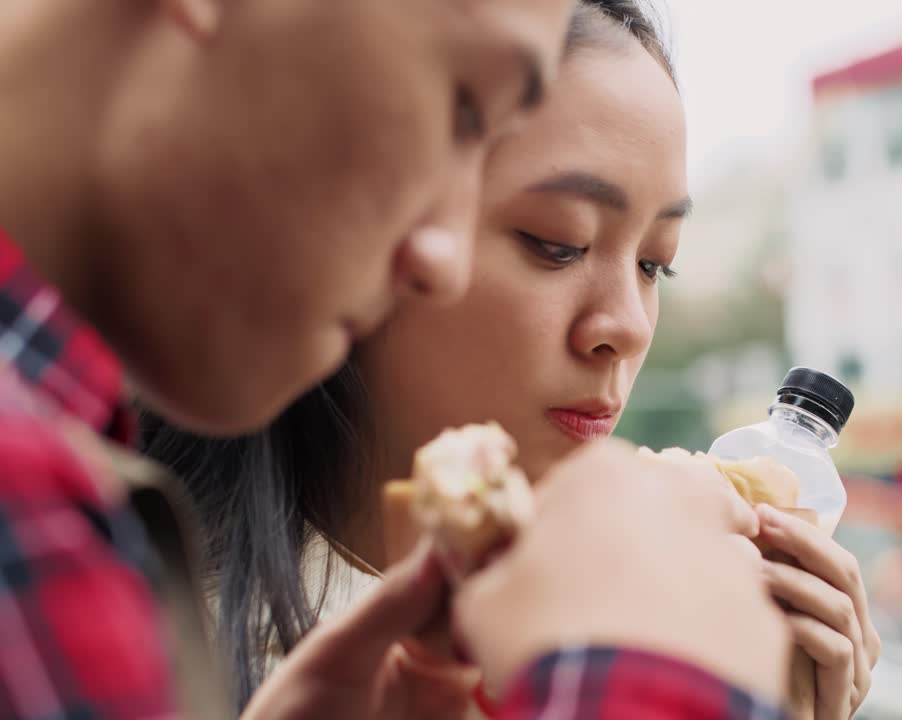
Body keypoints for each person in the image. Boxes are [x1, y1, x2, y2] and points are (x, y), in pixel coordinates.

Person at [0, 1, 795, 718]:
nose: (435, 252)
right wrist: (660, 688)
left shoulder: (76, 471)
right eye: (554, 241)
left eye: (658, 264)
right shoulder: (35, 501)